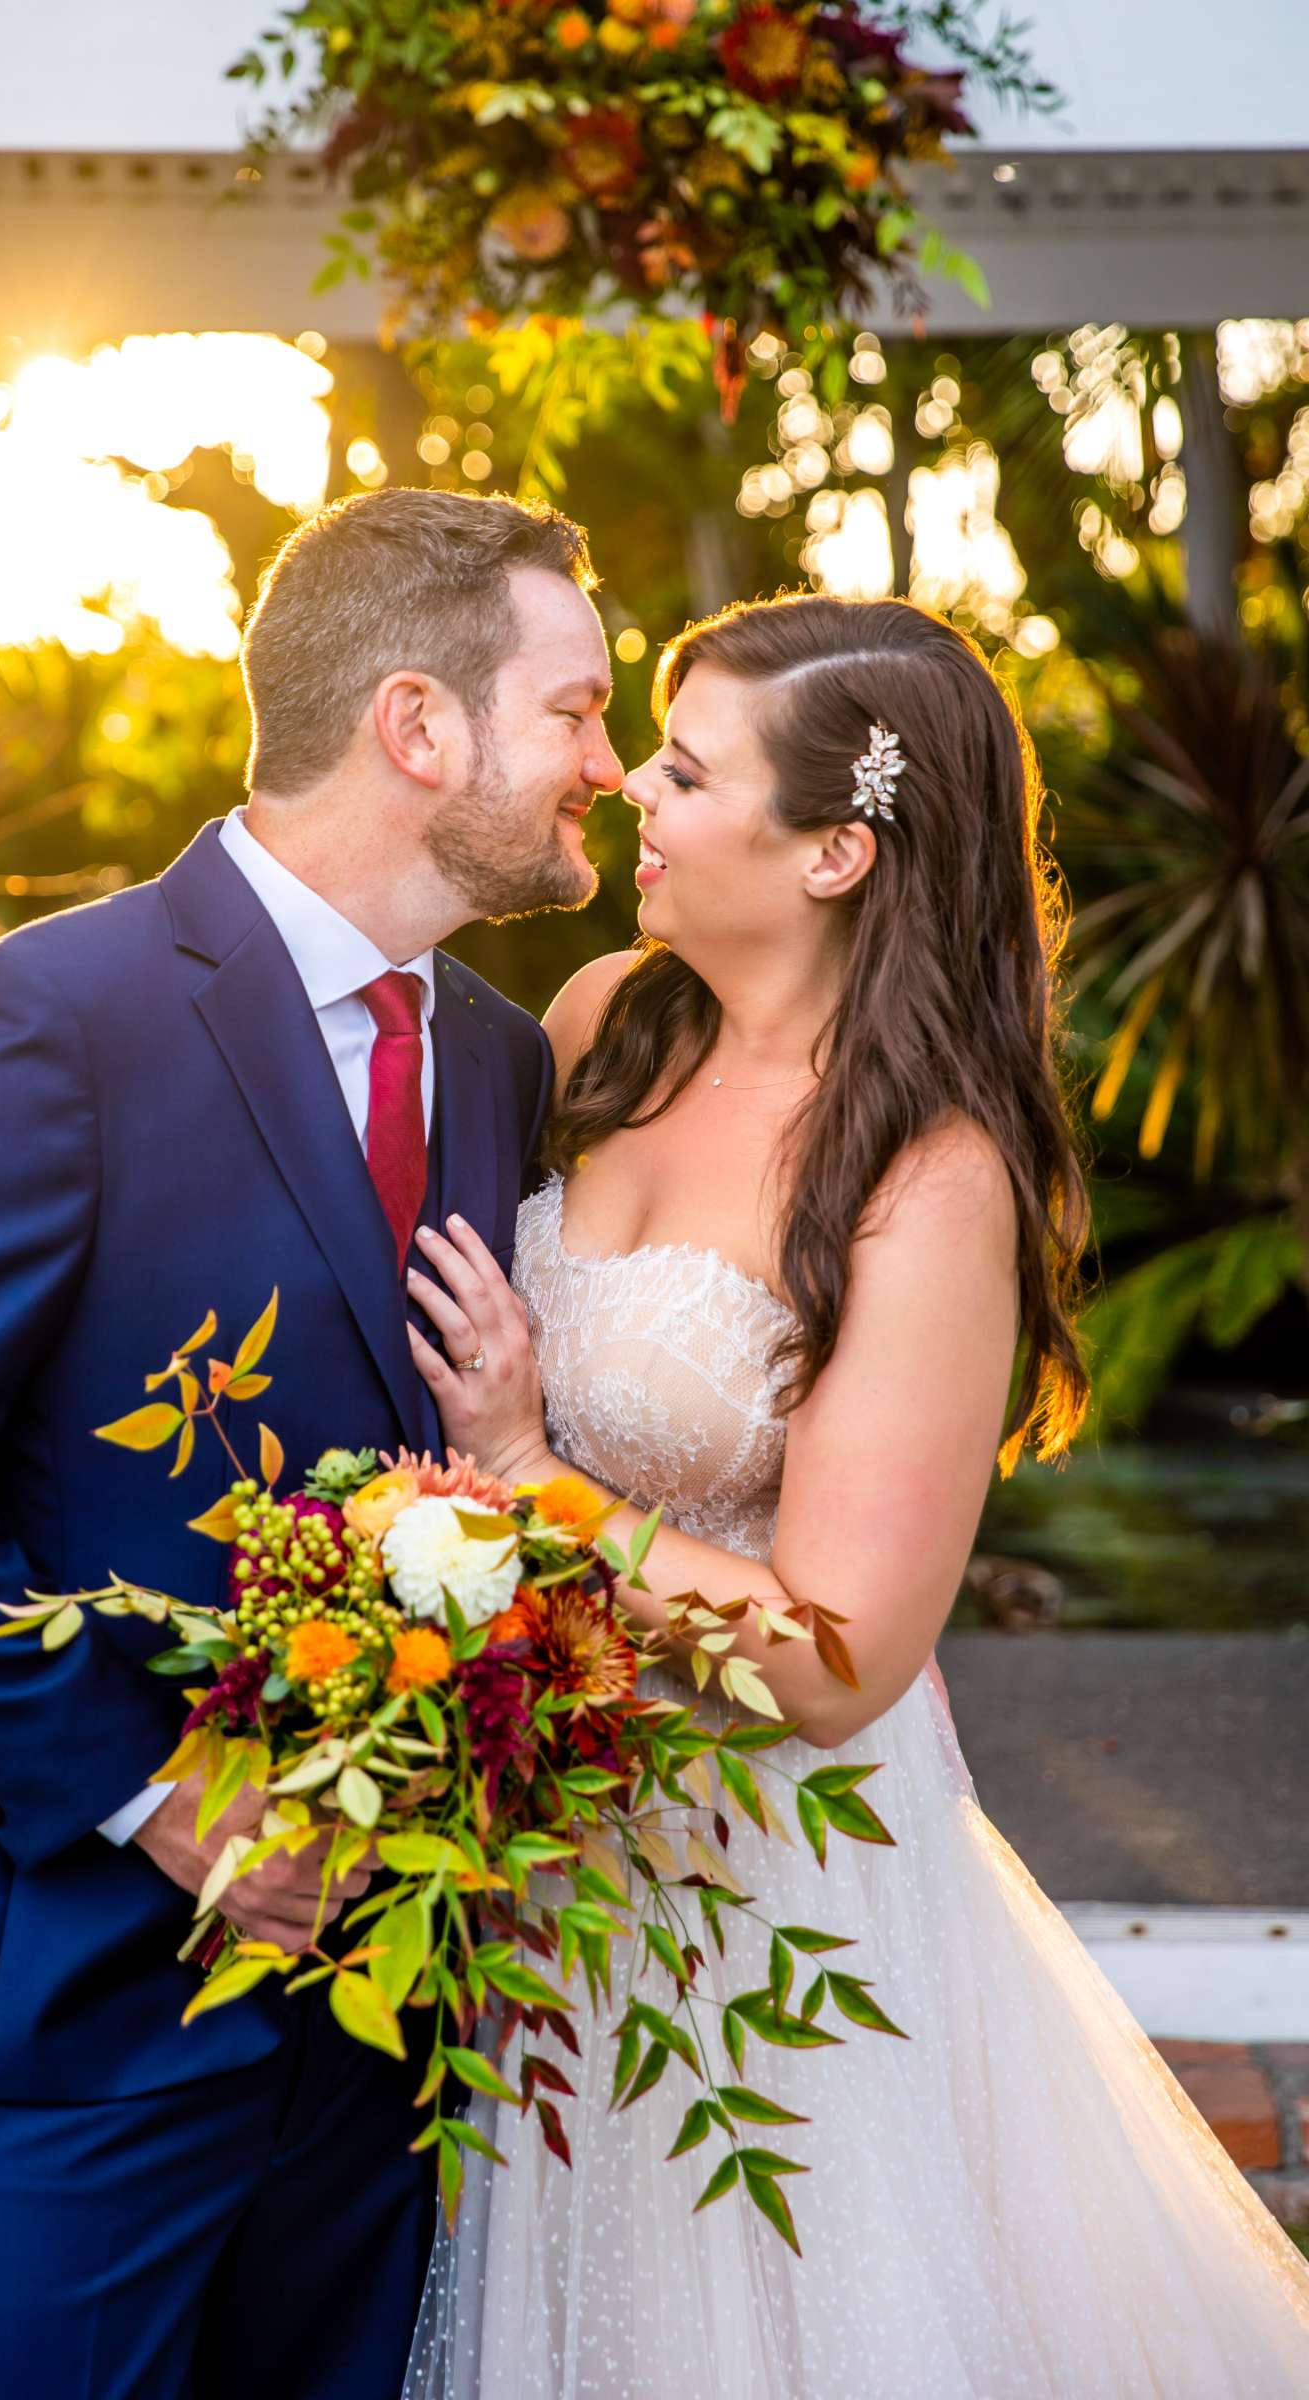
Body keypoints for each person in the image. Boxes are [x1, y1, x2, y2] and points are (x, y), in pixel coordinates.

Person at [0, 486, 624, 2400]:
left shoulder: (491, 1056)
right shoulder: (42, 1019)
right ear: (419, 725)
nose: (609, 764)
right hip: (79, 2012)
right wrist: (163, 1799)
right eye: (574, 711)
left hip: (391, 2021)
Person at [399, 593, 1309, 2397]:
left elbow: (831, 1658)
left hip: (766, 1884)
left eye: (682, 765)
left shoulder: (931, 1175)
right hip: (547, 1829)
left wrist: (524, 1474)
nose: (627, 793)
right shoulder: (604, 1024)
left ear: (834, 847)